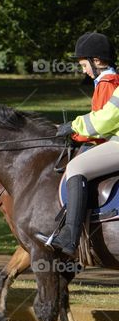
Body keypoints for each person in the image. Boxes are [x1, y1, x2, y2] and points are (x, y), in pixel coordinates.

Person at [39, 32, 119, 257]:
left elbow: (104, 120)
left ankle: (70, 236)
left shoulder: (109, 83)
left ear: (98, 61)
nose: (83, 70)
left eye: (84, 65)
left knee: (75, 167)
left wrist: (73, 127)